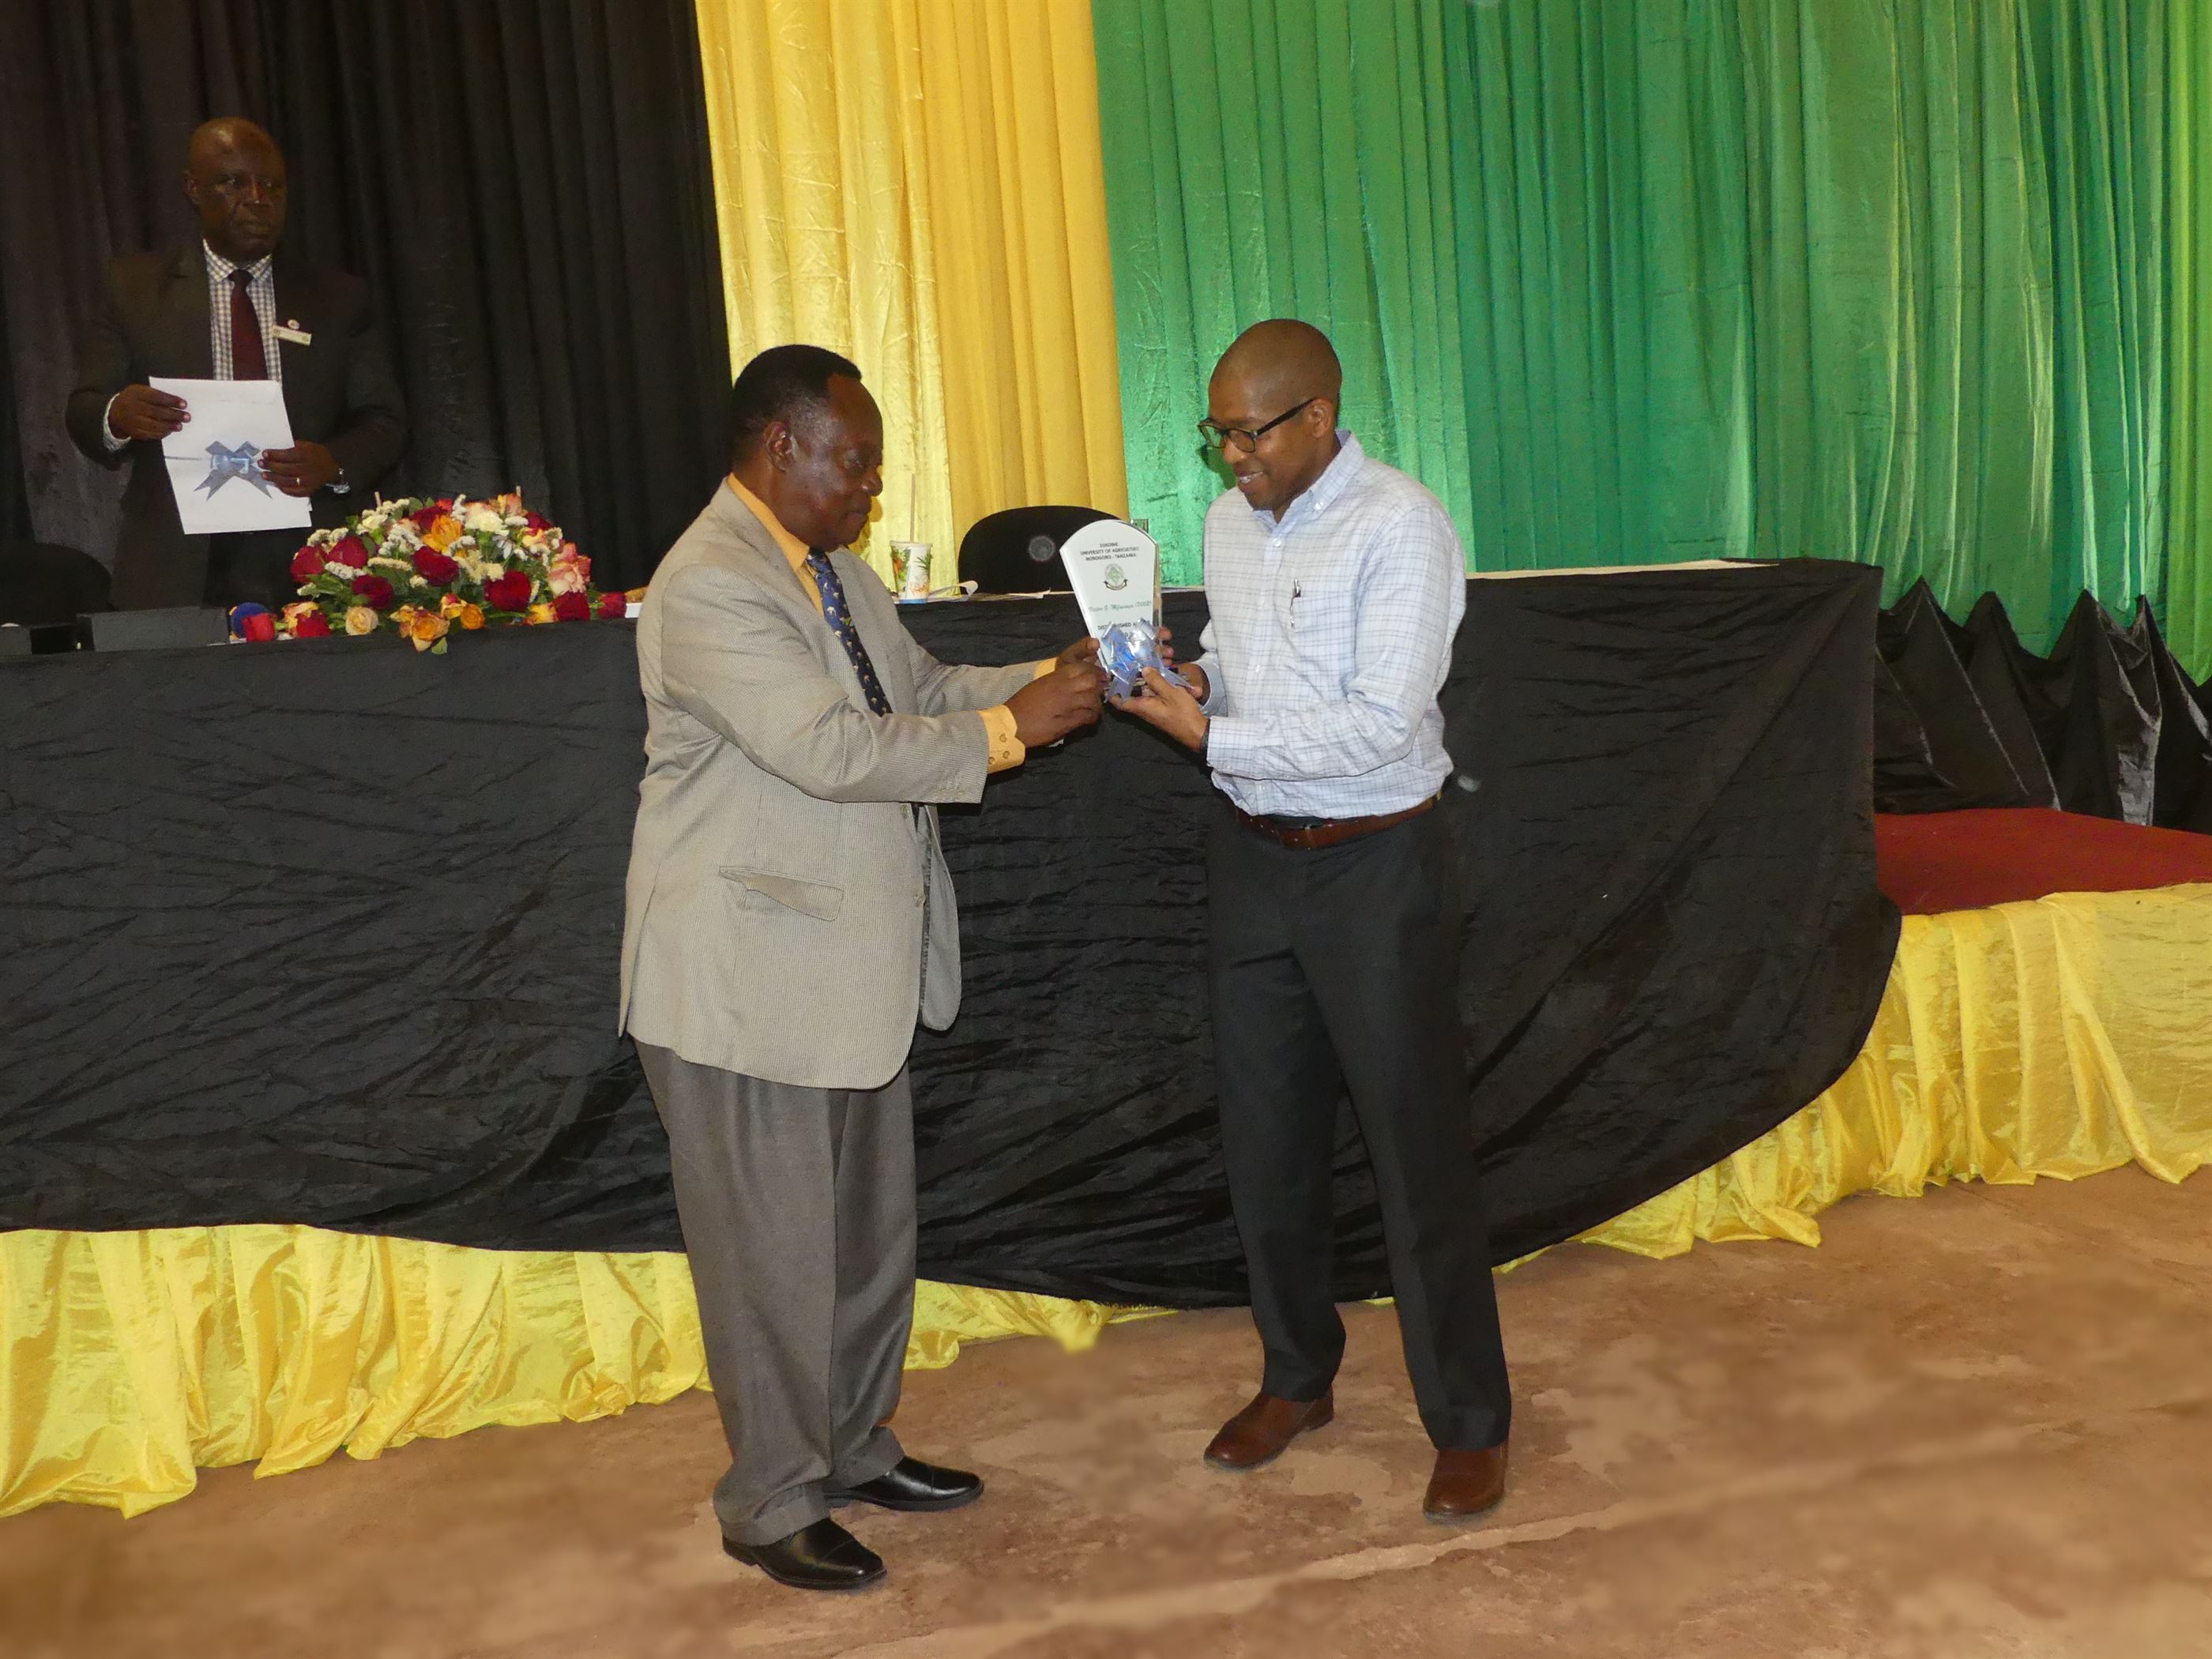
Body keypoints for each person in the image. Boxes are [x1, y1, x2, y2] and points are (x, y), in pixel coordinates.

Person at [619, 344, 1106, 1593]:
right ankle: (770, 1499)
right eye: (858, 462)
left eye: (877, 467)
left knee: (864, 1245)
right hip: (742, 978)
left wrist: (1052, 681)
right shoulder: (710, 583)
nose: (871, 489)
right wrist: (1008, 734)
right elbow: (828, 748)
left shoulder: (829, 569)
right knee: (773, 1259)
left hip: (849, 966)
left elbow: (923, 687)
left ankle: (851, 1446)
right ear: (780, 445)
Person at [1114, 319, 1512, 1522]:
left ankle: (1469, 1419)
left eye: (1251, 432)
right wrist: (1197, 686)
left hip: (1375, 864)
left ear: (1322, 416)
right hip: (1255, 860)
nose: (1231, 456)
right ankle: (1298, 1377)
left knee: (1413, 1151)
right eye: (1217, 433)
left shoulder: (1402, 524)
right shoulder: (1232, 523)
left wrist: (1209, 737)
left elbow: (1382, 721)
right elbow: (1246, 657)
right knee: (1265, 1140)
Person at [65, 117, 405, 611]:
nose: (257, 198)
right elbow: (85, 409)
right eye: (233, 183)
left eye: (271, 185)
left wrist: (333, 462)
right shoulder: (135, 289)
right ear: (193, 189)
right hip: (176, 560)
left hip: (311, 557)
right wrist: (116, 414)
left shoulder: (339, 298)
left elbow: (385, 420)